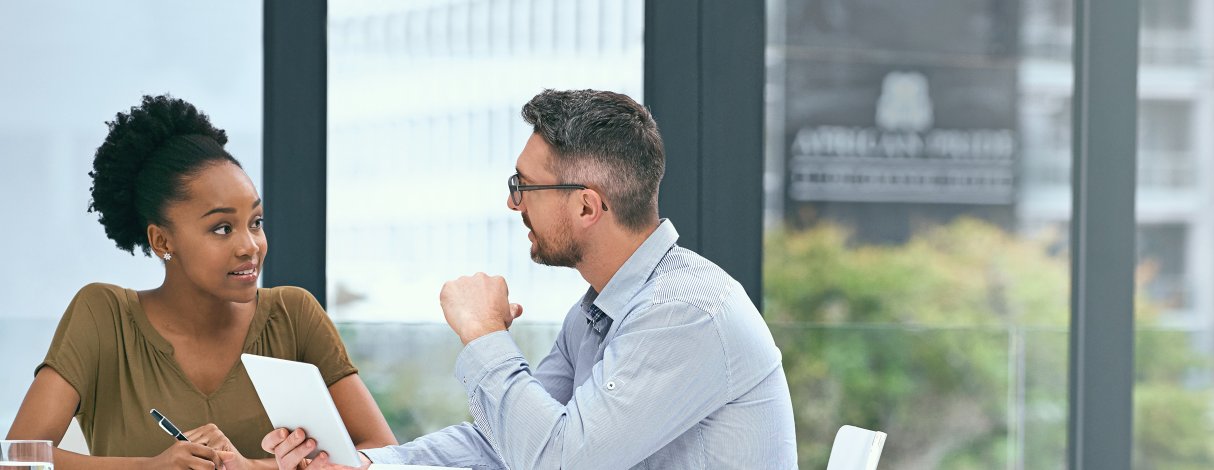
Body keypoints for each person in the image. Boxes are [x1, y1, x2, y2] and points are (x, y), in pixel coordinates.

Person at [263, 89, 797, 469]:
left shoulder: (684, 313)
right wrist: (364, 465)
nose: (512, 202)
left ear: (587, 206)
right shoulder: (596, 314)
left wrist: (485, 335)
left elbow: (557, 461)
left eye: (525, 186)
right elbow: (506, 445)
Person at [5, 95, 397, 469]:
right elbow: (18, 459)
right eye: (223, 228)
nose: (250, 246)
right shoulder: (104, 316)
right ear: (162, 240)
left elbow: (384, 452)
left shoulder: (293, 315)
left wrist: (250, 467)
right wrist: (151, 467)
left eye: (255, 223)